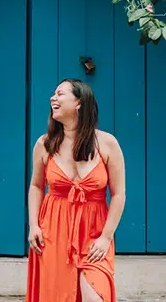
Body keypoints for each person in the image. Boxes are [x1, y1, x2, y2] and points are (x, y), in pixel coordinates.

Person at [26, 79, 126, 302]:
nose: (53, 98)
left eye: (60, 94)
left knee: (95, 295)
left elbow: (118, 194)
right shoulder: (45, 144)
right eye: (53, 94)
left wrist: (106, 237)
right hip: (54, 231)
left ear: (79, 102)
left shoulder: (107, 143)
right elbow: (36, 185)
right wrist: (33, 224)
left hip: (94, 232)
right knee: (58, 296)